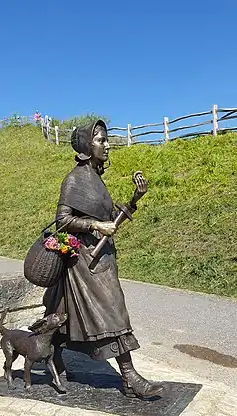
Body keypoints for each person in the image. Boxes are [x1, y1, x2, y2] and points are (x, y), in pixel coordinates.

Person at [44, 119, 163, 399]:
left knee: (72, 314)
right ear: (87, 146)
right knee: (113, 311)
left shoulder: (96, 179)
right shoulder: (74, 179)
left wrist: (135, 199)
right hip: (86, 261)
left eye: (106, 140)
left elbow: (110, 221)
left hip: (102, 258)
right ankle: (130, 376)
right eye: (101, 140)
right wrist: (95, 227)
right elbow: (62, 221)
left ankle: (54, 354)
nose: (107, 145)